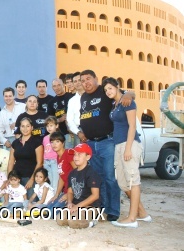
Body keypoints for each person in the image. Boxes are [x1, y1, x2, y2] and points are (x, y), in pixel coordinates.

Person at [78, 69, 133, 222]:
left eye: (88, 79)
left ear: (96, 79)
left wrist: (129, 94)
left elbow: (124, 94)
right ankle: (101, 208)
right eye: (83, 80)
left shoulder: (104, 91)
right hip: (91, 144)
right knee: (97, 179)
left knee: (110, 178)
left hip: (107, 142)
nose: (86, 83)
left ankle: (113, 211)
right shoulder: (83, 97)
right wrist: (82, 131)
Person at [103, 77, 150, 228]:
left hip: (129, 144)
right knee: (123, 183)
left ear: (117, 87)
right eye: (106, 90)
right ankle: (142, 213)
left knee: (133, 180)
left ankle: (132, 219)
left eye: (110, 88)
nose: (108, 91)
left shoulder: (127, 101)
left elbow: (132, 126)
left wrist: (129, 148)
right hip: (118, 145)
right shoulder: (114, 104)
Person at [56, 143, 102, 229]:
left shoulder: (91, 173)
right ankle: (79, 216)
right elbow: (70, 192)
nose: (76, 157)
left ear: (88, 157)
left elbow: (95, 196)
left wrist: (78, 206)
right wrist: (70, 202)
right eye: (75, 154)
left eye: (79, 154)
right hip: (76, 205)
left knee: (73, 222)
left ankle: (92, 222)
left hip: (90, 207)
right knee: (60, 220)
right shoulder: (72, 173)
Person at [7, 117, 44, 198]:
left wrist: (32, 179)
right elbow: (11, 161)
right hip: (16, 178)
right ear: (19, 128)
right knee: (12, 199)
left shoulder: (37, 142)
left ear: (32, 127)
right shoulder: (15, 143)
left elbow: (40, 163)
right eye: (22, 126)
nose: (25, 129)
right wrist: (9, 178)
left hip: (30, 177)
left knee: (29, 202)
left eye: (27, 126)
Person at [46, 131, 77, 213]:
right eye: (52, 142)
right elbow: (62, 177)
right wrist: (56, 195)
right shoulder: (58, 157)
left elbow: (78, 173)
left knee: (53, 213)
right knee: (48, 208)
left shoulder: (68, 153)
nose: (54, 144)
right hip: (65, 190)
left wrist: (69, 194)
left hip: (74, 192)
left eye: (57, 141)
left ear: (63, 143)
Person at [47, 78, 74, 148]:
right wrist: (59, 120)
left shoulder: (71, 97)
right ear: (52, 88)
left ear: (63, 85)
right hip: (59, 136)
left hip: (73, 133)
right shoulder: (51, 102)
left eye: (59, 85)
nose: (57, 88)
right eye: (54, 86)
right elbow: (50, 120)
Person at [66, 71, 84, 148]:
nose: (77, 83)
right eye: (75, 81)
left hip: (92, 130)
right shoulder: (72, 101)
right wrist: (78, 132)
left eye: (79, 80)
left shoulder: (92, 96)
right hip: (78, 132)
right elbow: (69, 120)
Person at [42, 116, 60, 191]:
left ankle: (55, 199)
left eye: (51, 125)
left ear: (56, 125)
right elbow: (44, 149)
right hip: (46, 161)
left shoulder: (59, 136)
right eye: (47, 126)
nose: (49, 128)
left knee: (55, 182)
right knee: (50, 181)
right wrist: (43, 162)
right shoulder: (45, 138)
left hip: (55, 161)